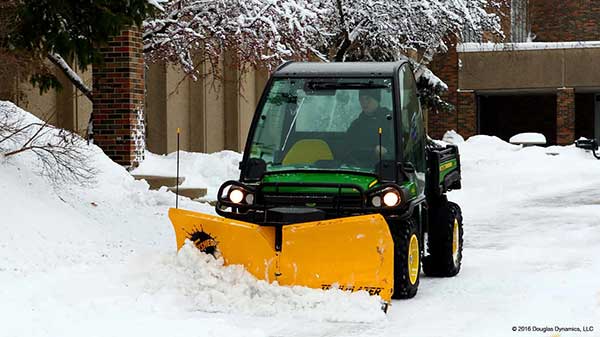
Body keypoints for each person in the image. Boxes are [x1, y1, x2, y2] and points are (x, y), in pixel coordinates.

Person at [344, 88, 394, 165]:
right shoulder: (356, 124)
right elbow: (347, 146)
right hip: (358, 167)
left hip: (386, 167)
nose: (364, 103)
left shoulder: (390, 120)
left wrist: (387, 151)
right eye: (361, 99)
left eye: (368, 98)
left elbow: (401, 144)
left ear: (377, 99)